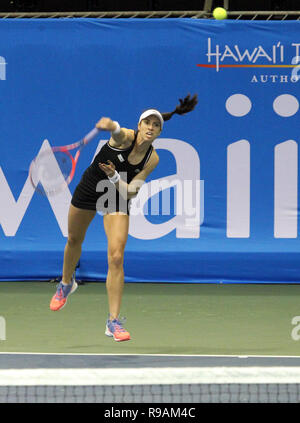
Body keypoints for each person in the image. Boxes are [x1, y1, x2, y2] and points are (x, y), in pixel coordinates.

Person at [49, 93, 198, 342]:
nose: (151, 128)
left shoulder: (153, 159)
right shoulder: (126, 136)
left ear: (160, 131)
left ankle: (113, 321)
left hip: (115, 193)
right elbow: (118, 134)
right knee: (74, 240)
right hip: (90, 186)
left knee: (116, 256)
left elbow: (132, 190)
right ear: (139, 126)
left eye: (156, 125)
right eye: (147, 123)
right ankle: (66, 284)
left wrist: (115, 177)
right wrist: (113, 126)